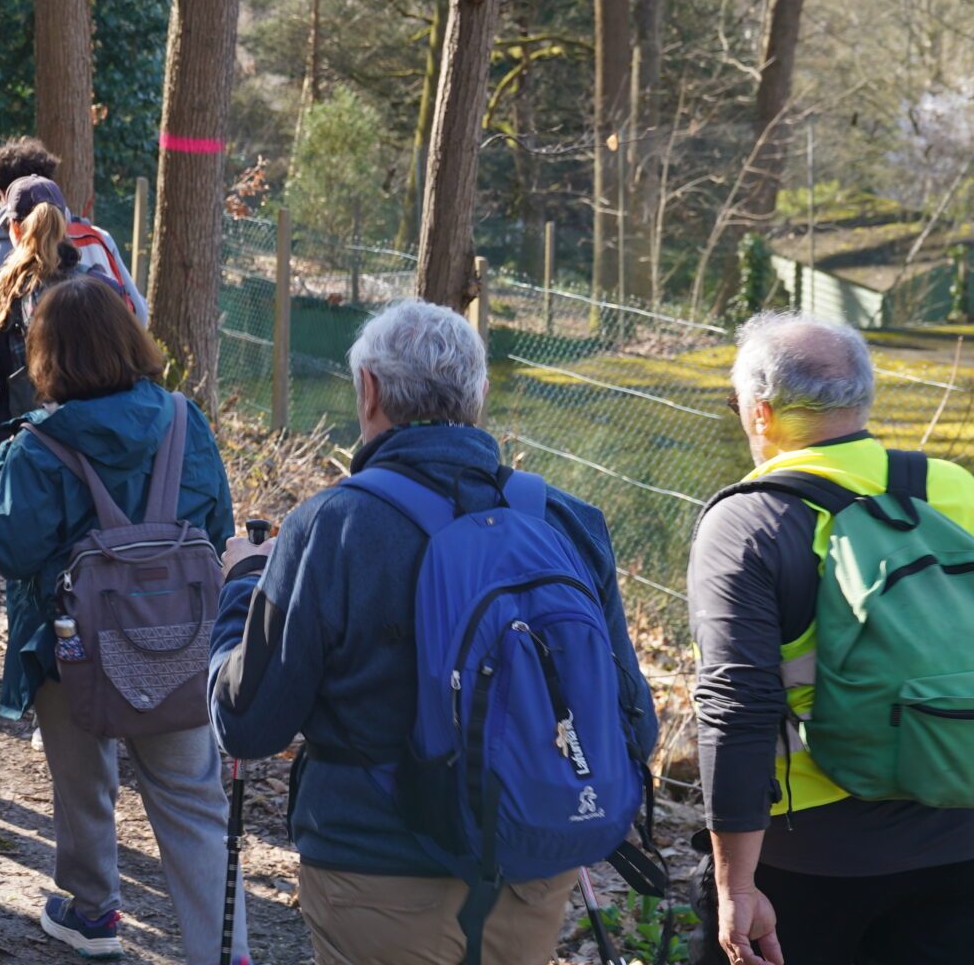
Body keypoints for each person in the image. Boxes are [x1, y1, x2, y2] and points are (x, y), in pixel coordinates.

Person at [210, 299, 656, 965]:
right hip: (530, 867)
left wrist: (241, 595)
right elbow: (635, 726)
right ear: (476, 397)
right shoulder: (568, 521)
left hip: (377, 873)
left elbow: (248, 723)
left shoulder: (332, 527)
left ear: (370, 392)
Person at [689, 313, 974, 965]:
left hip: (807, 862)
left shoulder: (749, 523)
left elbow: (737, 708)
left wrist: (736, 883)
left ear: (760, 413)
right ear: (863, 398)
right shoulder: (955, 488)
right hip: (960, 838)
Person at [0, 276, 231, 960]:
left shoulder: (37, 445)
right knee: (192, 802)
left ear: (46, 356)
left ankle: (92, 913)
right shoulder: (185, 420)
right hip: (177, 641)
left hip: (69, 648)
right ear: (130, 339)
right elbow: (217, 525)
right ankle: (222, 946)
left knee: (83, 778)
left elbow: (10, 547)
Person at [0, 139, 144, 460]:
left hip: (18, 444)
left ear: (11, 219)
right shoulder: (100, 245)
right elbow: (139, 318)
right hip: (92, 447)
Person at [0, 177, 121, 489]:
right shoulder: (100, 290)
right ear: (64, 225)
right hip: (89, 458)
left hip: (18, 453)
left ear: (14, 229)